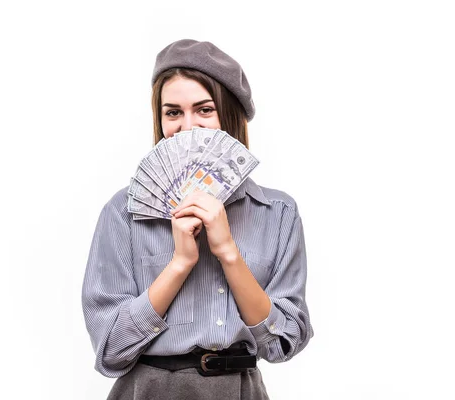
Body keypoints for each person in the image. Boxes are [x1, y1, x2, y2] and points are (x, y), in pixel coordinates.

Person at [82, 39, 314, 400]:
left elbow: (284, 342)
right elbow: (109, 349)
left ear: (230, 116)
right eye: (172, 112)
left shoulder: (278, 213)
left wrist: (228, 254)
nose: (188, 127)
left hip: (239, 390)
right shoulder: (123, 212)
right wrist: (179, 263)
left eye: (204, 110)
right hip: (150, 390)